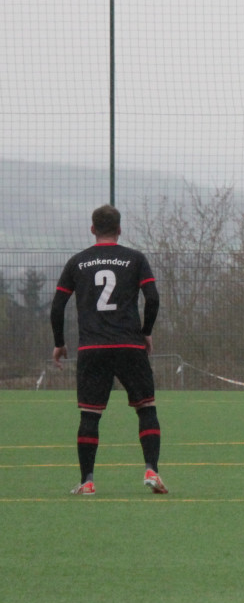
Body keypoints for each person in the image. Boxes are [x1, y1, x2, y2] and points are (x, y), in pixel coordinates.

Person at [49, 205, 168, 495]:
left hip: (93, 348)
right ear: (119, 229)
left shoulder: (77, 262)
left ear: (92, 229)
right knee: (146, 408)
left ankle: (87, 481)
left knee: (90, 416)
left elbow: (57, 306)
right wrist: (146, 332)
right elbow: (152, 298)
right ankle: (152, 470)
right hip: (129, 344)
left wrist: (59, 343)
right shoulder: (135, 259)